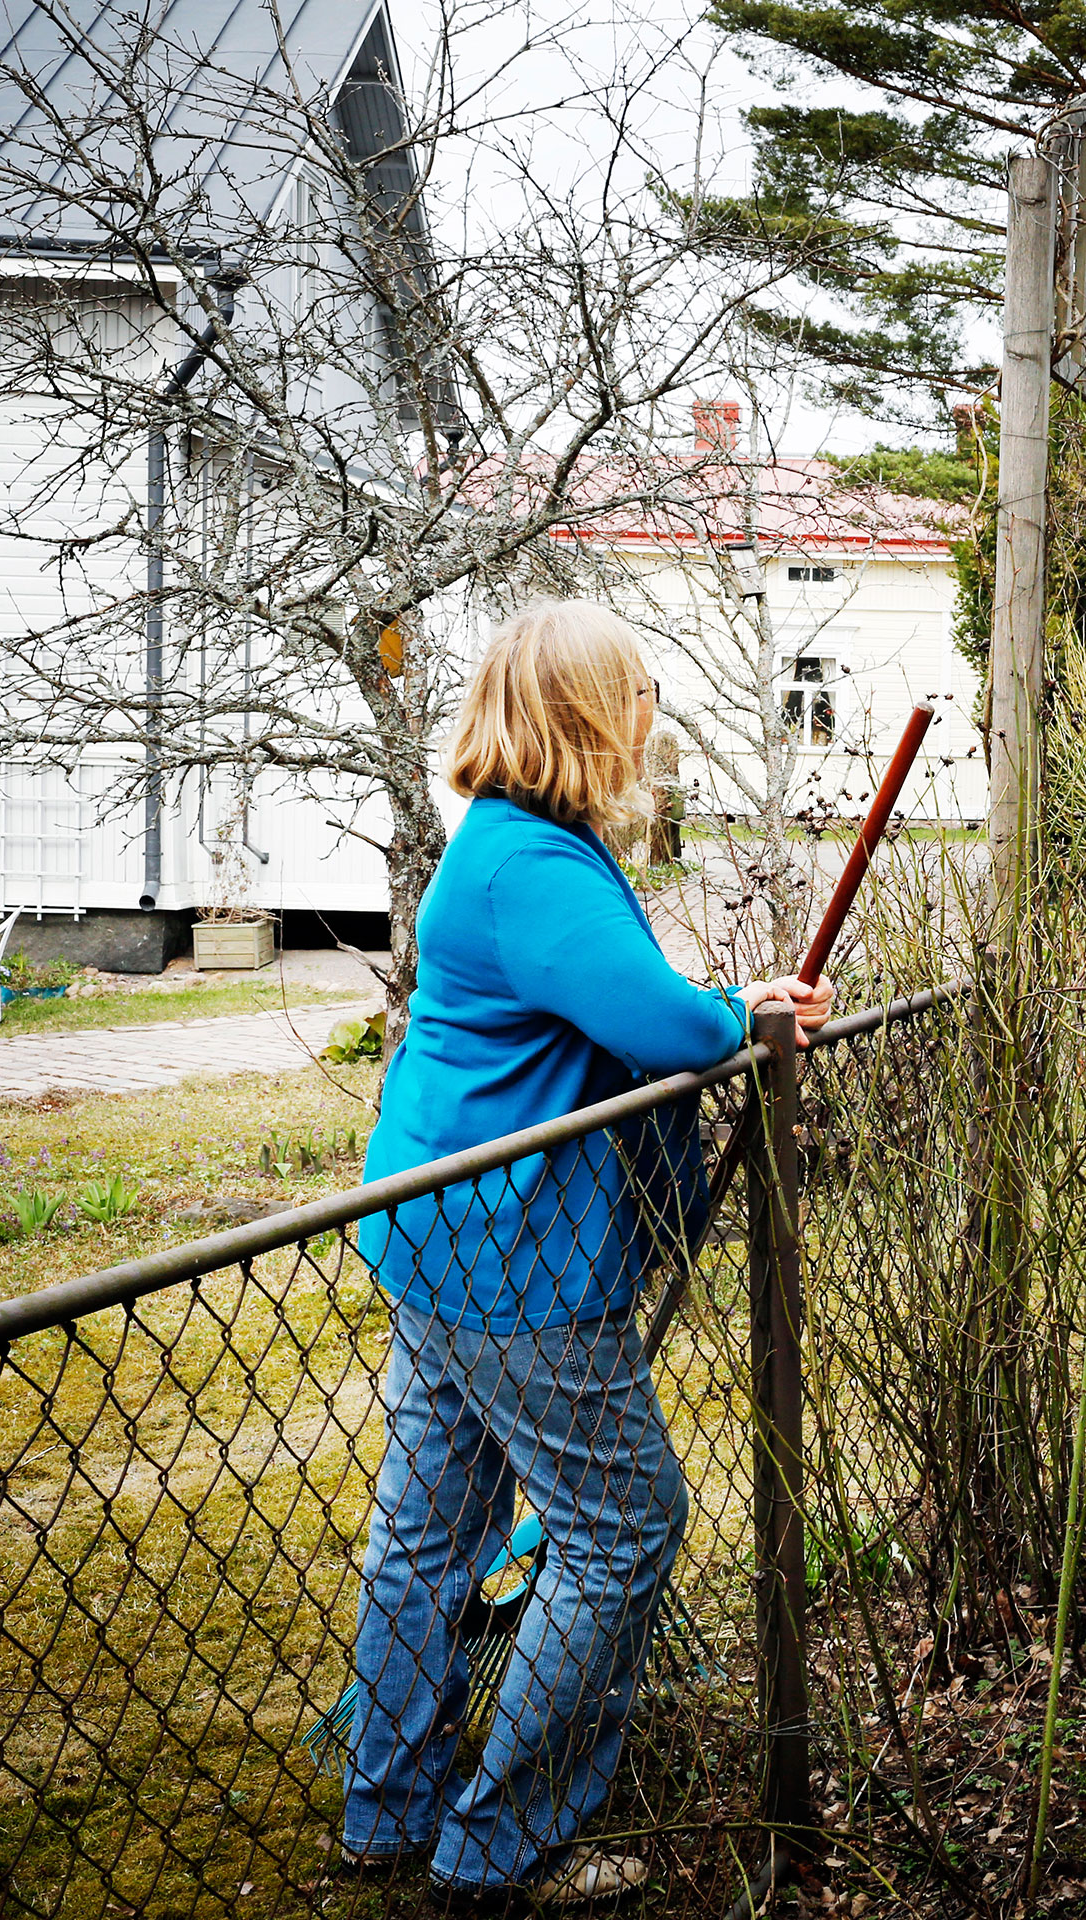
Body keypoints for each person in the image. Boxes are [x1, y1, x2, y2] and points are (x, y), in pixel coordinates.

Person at [342, 600, 831, 1903]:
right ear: (582, 715)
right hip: (511, 1257)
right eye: (635, 695)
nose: (646, 719)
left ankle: (389, 1809)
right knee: (622, 1527)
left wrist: (737, 1011)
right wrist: (744, 1012)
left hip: (439, 1230)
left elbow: (638, 1011)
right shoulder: (533, 868)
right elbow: (662, 1025)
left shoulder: (504, 842)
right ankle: (500, 1837)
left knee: (428, 1538)